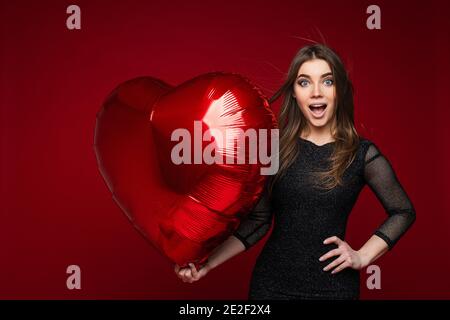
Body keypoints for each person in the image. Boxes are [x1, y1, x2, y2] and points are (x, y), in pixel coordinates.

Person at [173, 44, 416, 300]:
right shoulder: (273, 149)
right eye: (304, 82)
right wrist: (207, 263)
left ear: (340, 90)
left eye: (328, 81)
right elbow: (258, 221)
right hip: (271, 287)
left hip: (335, 290)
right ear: (294, 93)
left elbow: (403, 211)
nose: (316, 93)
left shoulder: (361, 154)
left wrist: (363, 255)